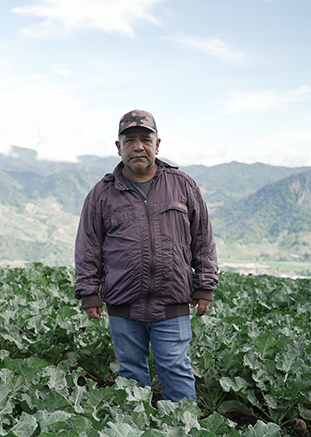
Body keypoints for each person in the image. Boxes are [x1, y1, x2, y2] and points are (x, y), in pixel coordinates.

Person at [74, 109, 218, 402]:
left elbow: (203, 237)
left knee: (176, 369)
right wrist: (88, 292)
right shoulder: (102, 194)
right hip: (123, 303)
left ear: (157, 144)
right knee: (131, 374)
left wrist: (205, 285)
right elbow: (88, 246)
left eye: (145, 139)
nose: (138, 146)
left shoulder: (183, 185)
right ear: (118, 147)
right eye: (129, 140)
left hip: (172, 300)